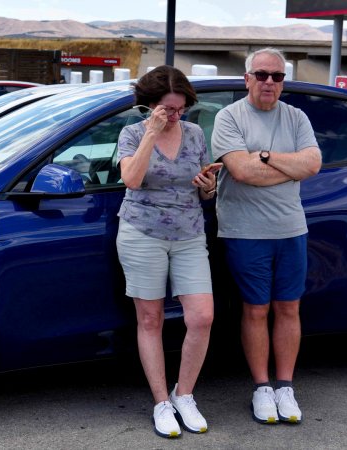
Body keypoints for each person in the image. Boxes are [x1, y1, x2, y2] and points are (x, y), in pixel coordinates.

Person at [210, 48, 321, 425]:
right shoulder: (229, 117)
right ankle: (261, 387)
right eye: (261, 75)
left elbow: (313, 163)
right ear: (246, 79)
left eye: (277, 76)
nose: (269, 82)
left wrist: (265, 156)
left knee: (289, 308)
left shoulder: (296, 117)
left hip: (291, 228)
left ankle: (285, 386)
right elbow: (240, 170)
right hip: (245, 231)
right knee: (255, 310)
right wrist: (290, 167)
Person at [115, 65, 217, 438]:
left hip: (189, 233)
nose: (177, 116)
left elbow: (204, 191)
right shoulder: (131, 133)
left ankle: (183, 394)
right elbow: (132, 179)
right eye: (168, 110)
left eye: (181, 109)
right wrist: (151, 134)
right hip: (143, 232)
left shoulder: (194, 133)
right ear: (149, 106)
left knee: (202, 316)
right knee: (150, 320)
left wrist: (209, 186)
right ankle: (161, 401)